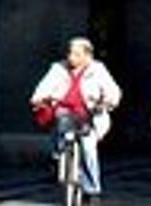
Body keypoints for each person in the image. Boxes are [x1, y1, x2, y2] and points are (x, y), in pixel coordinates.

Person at [29, 36, 125, 196]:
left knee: (88, 148)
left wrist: (108, 102)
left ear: (88, 56)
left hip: (90, 113)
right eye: (70, 53)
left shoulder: (98, 70)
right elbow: (43, 87)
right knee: (60, 130)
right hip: (64, 111)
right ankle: (58, 158)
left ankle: (92, 188)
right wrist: (39, 99)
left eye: (76, 54)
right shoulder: (58, 68)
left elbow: (113, 91)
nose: (71, 57)